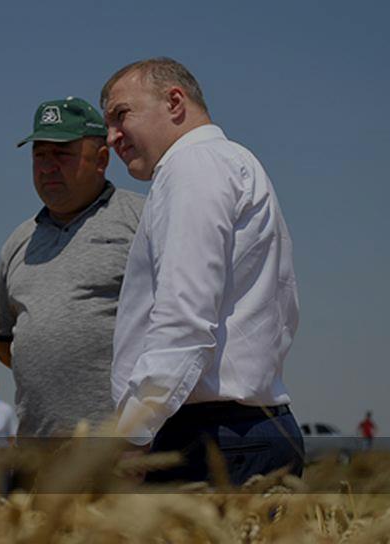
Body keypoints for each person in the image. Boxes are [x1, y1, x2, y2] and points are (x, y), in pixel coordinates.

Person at [103, 57, 304, 485]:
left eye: (121, 115)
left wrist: (133, 434)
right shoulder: (231, 163)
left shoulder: (191, 167)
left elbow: (184, 317)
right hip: (243, 431)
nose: (111, 137)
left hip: (211, 439)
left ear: (175, 102)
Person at [0, 97, 144, 438]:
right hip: (38, 451)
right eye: (40, 155)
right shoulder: (18, 242)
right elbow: (5, 343)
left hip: (124, 449)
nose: (47, 167)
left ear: (102, 159)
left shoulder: (143, 221)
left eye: (62, 154)